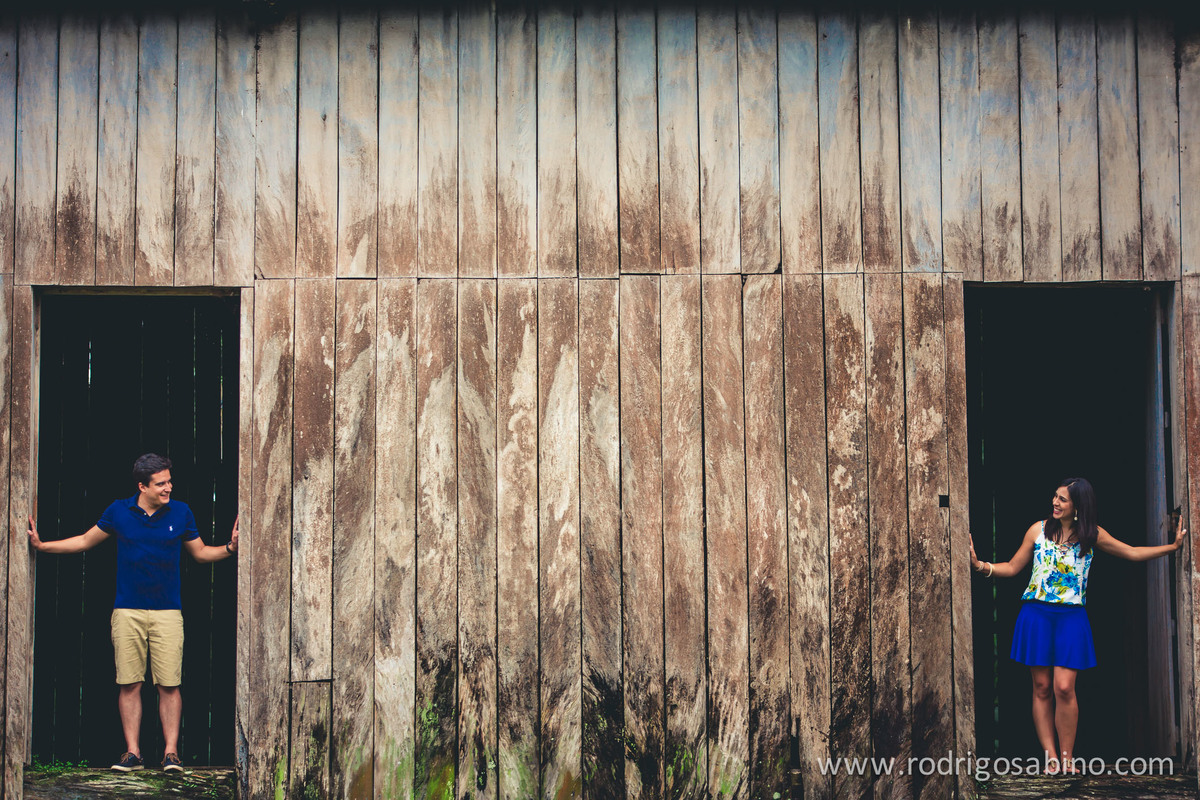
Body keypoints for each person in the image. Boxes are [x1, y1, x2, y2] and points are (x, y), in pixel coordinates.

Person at [26, 453, 238, 773]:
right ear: (142, 486)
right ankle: (133, 754)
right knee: (129, 684)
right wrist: (42, 546)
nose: (169, 487)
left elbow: (200, 553)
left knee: (169, 684)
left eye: (169, 481)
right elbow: (84, 541)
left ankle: (171, 754)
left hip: (168, 613)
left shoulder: (181, 512)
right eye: (161, 483)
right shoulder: (118, 511)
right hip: (127, 612)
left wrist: (230, 548)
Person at [970, 477, 1187, 774]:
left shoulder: (1091, 535)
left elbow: (1132, 552)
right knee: (1042, 687)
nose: (1055, 503)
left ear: (1078, 506)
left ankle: (1067, 758)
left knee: (1064, 687)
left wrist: (1172, 547)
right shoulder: (1038, 530)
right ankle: (1051, 758)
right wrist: (980, 565)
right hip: (1036, 614)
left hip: (1071, 618)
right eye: (1055, 497)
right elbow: (1012, 567)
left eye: (1062, 499)